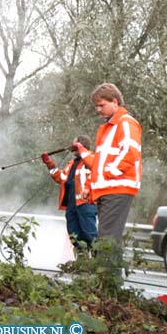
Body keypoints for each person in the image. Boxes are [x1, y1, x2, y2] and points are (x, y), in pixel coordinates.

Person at [72, 83, 142, 252]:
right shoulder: (108, 128)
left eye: (101, 105)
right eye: (96, 106)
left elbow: (130, 153)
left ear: (115, 102)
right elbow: (98, 164)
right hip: (108, 189)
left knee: (107, 241)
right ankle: (108, 277)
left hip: (117, 188)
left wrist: (109, 173)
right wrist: (90, 186)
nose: (98, 109)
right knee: (106, 239)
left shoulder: (126, 123)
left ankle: (109, 278)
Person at [42, 135, 97, 252]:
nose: (72, 147)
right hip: (71, 205)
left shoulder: (91, 158)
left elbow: (95, 169)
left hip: (86, 203)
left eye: (74, 144)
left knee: (90, 235)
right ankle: (82, 262)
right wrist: (49, 163)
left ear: (81, 145)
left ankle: (97, 262)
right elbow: (61, 178)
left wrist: (82, 150)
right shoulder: (71, 163)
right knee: (74, 236)